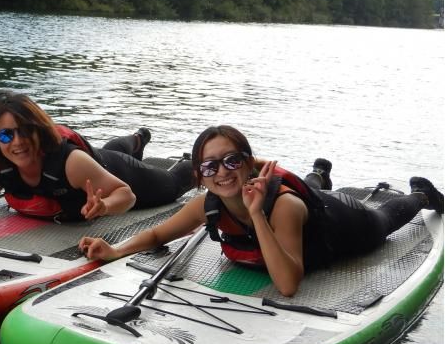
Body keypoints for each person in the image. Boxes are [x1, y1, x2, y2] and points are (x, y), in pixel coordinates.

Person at [79, 125, 444, 296]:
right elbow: (159, 234)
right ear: (200, 177)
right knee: (296, 188)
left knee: (383, 220)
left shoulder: (282, 207)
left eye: (231, 160)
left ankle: (422, 196)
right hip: (286, 201)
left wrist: (256, 214)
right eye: (209, 167)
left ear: (247, 163)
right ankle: (318, 176)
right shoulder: (207, 204)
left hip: (342, 222)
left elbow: (286, 284)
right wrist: (114, 250)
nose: (221, 172)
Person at [0, 90, 195, 222]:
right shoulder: (2, 164)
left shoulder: (71, 163)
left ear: (38, 130)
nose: (17, 143)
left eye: (24, 132)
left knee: (173, 184)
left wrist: (105, 207)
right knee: (109, 151)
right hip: (99, 160)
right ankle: (136, 139)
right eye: (5, 136)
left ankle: (191, 162)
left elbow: (127, 194)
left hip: (121, 173)